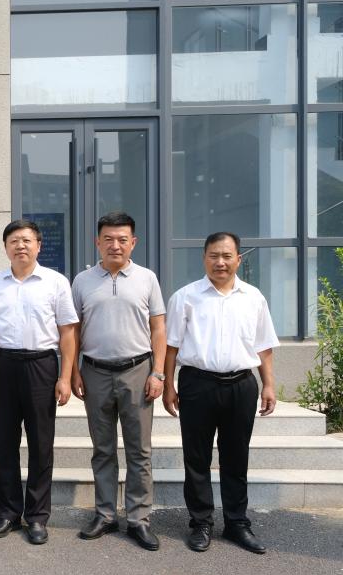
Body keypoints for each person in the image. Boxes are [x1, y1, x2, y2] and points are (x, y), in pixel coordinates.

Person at [163, 232, 279, 554]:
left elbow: (263, 346)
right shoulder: (185, 297)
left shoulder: (253, 297)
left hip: (241, 385)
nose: (220, 262)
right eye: (214, 255)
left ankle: (237, 522)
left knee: (236, 456)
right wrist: (169, 385)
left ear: (238, 259)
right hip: (197, 384)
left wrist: (268, 384)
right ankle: (201, 522)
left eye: (227, 256)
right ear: (204, 258)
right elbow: (171, 346)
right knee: (196, 457)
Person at [0, 220, 78, 545]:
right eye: (14, 241)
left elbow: (67, 332)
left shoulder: (55, 282)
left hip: (41, 366)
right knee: (5, 443)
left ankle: (37, 516)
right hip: (3, 365)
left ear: (38, 245)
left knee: (40, 444)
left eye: (26, 240)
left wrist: (65, 377)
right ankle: (8, 512)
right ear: (5, 247)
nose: (20, 246)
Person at [71, 212, 166, 551]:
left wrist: (158, 372)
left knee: (139, 450)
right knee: (103, 448)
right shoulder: (82, 281)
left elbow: (158, 328)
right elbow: (73, 330)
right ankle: (106, 514)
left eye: (122, 239)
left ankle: (139, 518)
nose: (115, 245)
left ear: (133, 242)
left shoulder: (146, 278)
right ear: (97, 242)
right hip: (95, 371)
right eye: (108, 239)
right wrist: (73, 371)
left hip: (137, 371)